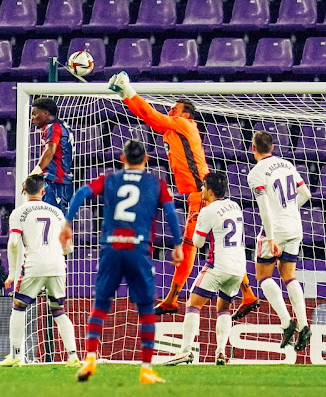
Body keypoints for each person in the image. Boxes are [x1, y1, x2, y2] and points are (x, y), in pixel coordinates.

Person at [107, 71, 259, 320]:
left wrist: (129, 90)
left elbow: (151, 114)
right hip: (197, 195)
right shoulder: (173, 130)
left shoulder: (185, 124)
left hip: (202, 195)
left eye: (174, 109)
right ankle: (246, 295)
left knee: (190, 248)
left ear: (186, 114)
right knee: (217, 247)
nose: (170, 112)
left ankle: (172, 300)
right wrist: (126, 96)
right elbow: (150, 119)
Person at [60, 140, 183, 385]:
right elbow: (170, 212)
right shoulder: (157, 184)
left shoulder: (109, 179)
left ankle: (91, 358)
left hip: (111, 248)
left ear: (122, 159)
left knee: (101, 303)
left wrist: (67, 223)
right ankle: (146, 369)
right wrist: (177, 244)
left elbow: (81, 193)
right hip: (138, 249)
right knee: (146, 308)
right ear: (146, 159)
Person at [0, 174, 80, 368]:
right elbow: (69, 247)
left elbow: (14, 242)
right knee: (59, 311)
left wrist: (12, 272)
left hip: (34, 265)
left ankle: (16, 355)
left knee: (18, 307)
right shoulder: (57, 212)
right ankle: (73, 355)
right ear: (43, 191)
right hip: (58, 264)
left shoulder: (18, 213)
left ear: (24, 191)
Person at [163, 172, 246, 366]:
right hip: (238, 267)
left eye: (202, 188)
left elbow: (198, 243)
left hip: (219, 265)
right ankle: (220, 353)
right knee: (224, 308)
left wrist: (196, 220)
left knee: (193, 303)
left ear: (209, 191)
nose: (200, 191)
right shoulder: (235, 206)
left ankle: (185, 351)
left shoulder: (207, 211)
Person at [247, 131, 312, 351]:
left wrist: (271, 236)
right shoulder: (287, 164)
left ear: (253, 148)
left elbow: (264, 207)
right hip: (295, 226)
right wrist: (290, 211)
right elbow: (305, 194)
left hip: (274, 229)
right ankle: (304, 325)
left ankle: (287, 322)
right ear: (272, 147)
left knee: (263, 276)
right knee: (289, 276)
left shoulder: (256, 173)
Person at [29, 97, 74, 211]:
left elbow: (50, 150)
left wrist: (37, 169)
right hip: (62, 180)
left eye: (34, 114)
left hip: (55, 181)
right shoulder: (63, 125)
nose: (32, 118)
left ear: (45, 113)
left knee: (52, 218)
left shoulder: (53, 127)